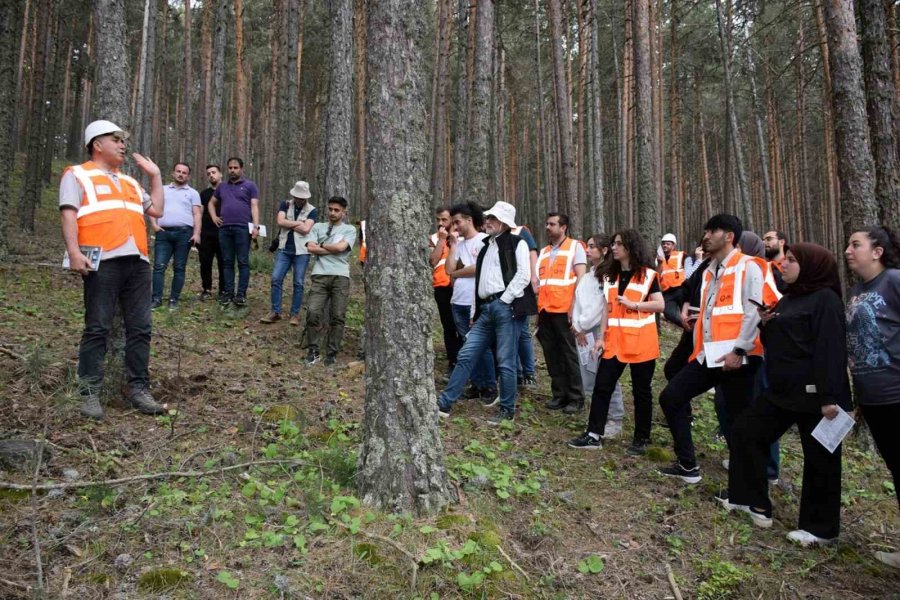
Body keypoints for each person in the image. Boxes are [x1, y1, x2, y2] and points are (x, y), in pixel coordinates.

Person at [717, 243, 850, 548]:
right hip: (781, 392)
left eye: (791, 261)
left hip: (817, 396)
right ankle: (750, 500)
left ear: (812, 265)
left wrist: (831, 396)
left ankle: (820, 529)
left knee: (821, 460)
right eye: (784, 259)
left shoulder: (826, 301)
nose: (784, 265)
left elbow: (831, 349)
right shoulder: (789, 298)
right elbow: (781, 340)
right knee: (746, 431)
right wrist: (766, 323)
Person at [59, 119, 166, 420]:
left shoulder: (130, 181)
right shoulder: (77, 174)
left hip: (138, 262)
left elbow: (156, 210)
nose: (123, 145)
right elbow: (69, 214)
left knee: (141, 328)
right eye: (116, 139)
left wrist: (155, 176)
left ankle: (139, 390)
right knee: (97, 328)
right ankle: (89, 392)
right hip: (101, 260)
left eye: (123, 140)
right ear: (97, 144)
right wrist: (74, 252)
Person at [658, 214, 763, 483]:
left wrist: (740, 350)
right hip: (710, 356)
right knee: (671, 397)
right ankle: (687, 466)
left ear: (729, 236)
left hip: (740, 359)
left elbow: (755, 312)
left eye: (712, 231)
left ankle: (748, 492)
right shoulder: (707, 271)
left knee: (740, 422)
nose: (705, 235)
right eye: (705, 230)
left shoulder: (750, 266)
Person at [437, 201, 537, 424]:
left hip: (505, 308)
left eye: (493, 218)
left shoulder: (517, 243)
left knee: (506, 361)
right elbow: (480, 283)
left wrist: (504, 301)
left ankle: (507, 410)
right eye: (488, 217)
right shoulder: (486, 247)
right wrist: (476, 311)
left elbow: (523, 275)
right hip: (485, 309)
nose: (488, 221)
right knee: (466, 354)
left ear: (504, 222)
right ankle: (443, 403)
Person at [568, 229, 664, 452]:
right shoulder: (611, 275)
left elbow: (659, 305)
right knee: (602, 386)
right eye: (612, 243)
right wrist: (600, 337)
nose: (614, 247)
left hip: (642, 343)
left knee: (641, 392)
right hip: (615, 342)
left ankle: (641, 439)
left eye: (619, 243)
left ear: (630, 247)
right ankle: (594, 435)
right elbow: (606, 310)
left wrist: (635, 305)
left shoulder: (648, 275)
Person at [845, 226, 900, 567]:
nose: (848, 250)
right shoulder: (854, 291)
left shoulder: (893, 280)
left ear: (877, 251)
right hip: (873, 399)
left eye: (856, 245)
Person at [571, 233, 625, 438]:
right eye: (588, 246)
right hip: (582, 331)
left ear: (604, 250)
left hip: (596, 330)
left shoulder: (609, 275)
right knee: (588, 374)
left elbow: (601, 306)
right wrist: (576, 326)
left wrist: (584, 326)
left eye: (592, 247)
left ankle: (614, 417)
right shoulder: (588, 275)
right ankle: (597, 416)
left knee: (603, 374)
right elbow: (578, 302)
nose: (588, 250)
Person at [536, 213, 587, 413]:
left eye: (552, 224)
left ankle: (575, 397)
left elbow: (581, 279)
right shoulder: (544, 252)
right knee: (551, 354)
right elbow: (541, 283)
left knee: (568, 353)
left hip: (565, 309)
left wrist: (575, 305)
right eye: (547, 224)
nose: (548, 227)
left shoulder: (576, 247)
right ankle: (559, 394)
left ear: (563, 227)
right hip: (545, 310)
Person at [445, 202, 496, 400]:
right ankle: (476, 383)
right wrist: (453, 245)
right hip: (457, 300)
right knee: (466, 344)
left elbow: (479, 267)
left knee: (480, 346)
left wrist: (457, 273)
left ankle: (490, 386)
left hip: (475, 301)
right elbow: (448, 269)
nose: (455, 226)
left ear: (469, 220)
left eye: (457, 221)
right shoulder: (460, 244)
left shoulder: (484, 240)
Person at [303, 196, 357, 366]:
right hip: (319, 275)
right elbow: (310, 247)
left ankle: (332, 352)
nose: (332, 213)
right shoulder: (318, 227)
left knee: (338, 315)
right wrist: (331, 248)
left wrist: (321, 245)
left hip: (340, 276)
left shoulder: (349, 229)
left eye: (337, 210)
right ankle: (313, 350)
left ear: (344, 212)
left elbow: (341, 248)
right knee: (312, 311)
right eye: (330, 209)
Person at [260, 181, 317, 325]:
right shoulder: (285, 204)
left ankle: (295, 314)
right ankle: (275, 311)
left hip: (302, 251)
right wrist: (298, 223)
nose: (299, 200)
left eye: (302, 197)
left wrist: (289, 223)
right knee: (276, 279)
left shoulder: (312, 210)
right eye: (297, 197)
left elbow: (306, 230)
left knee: (298, 282)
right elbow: (280, 221)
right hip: (284, 248)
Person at [208, 157, 260, 307]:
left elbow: (254, 206)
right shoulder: (221, 187)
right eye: (230, 167)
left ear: (241, 169)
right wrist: (214, 217)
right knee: (227, 262)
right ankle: (228, 293)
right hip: (224, 229)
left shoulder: (250, 186)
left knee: (243, 262)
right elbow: (211, 203)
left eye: (235, 168)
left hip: (243, 228)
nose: (232, 170)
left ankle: (241, 295)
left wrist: (255, 226)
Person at [149, 162, 201, 309]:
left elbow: (197, 214)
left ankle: (173, 300)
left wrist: (196, 233)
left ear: (188, 176)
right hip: (163, 233)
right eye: (178, 171)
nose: (181, 174)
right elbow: (151, 206)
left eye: (184, 172)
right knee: (159, 266)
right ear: (173, 173)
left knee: (179, 267)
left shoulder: (193, 193)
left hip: (184, 234)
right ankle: (156, 299)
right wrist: (154, 225)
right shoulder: (163, 190)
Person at [429, 207, 462, 372]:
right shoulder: (434, 239)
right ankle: (453, 360)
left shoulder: (461, 236)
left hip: (460, 287)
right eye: (438, 220)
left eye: (444, 220)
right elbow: (432, 261)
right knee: (448, 326)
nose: (440, 223)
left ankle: (465, 360)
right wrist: (441, 241)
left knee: (462, 325)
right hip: (442, 287)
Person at [510, 223, 540, 389]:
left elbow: (532, 252)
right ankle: (517, 373)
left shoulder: (521, 231)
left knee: (521, 332)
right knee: (513, 332)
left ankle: (528, 373)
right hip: (504, 288)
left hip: (522, 287)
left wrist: (534, 277)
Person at [198, 164, 225, 300]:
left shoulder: (228, 191)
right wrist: (198, 232)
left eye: (214, 172)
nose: (211, 175)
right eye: (208, 173)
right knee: (205, 262)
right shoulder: (204, 194)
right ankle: (206, 289)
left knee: (223, 263)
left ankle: (223, 291)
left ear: (220, 174)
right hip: (206, 234)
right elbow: (200, 213)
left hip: (224, 234)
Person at [658, 233, 686, 326]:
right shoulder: (658, 259)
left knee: (687, 313)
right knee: (668, 313)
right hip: (667, 292)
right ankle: (686, 326)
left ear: (673, 245)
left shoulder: (681, 255)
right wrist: (659, 263)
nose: (665, 245)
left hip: (681, 289)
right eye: (663, 243)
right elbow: (657, 275)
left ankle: (691, 328)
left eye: (668, 243)